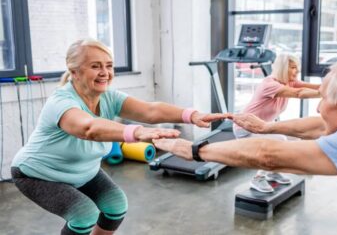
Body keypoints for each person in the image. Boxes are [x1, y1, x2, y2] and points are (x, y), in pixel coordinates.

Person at [154, 58, 337, 235]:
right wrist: (270, 127)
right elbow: (320, 126)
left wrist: (194, 150)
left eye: (323, 98)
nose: (319, 106)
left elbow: (268, 155)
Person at [11, 39, 229, 235]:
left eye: (109, 65)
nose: (105, 72)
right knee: (83, 215)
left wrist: (193, 115)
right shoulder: (61, 102)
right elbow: (89, 128)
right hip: (37, 173)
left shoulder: (108, 98)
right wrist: (137, 132)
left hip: (80, 171)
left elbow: (150, 111)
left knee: (115, 205)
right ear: (75, 71)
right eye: (95, 66)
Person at [233, 53, 319, 193]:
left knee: (294, 137)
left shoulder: (288, 81)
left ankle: (272, 172)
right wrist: (327, 94)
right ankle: (258, 177)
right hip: (245, 128)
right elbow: (299, 94)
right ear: (283, 68)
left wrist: (334, 87)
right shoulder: (269, 84)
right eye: (293, 67)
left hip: (262, 127)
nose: (297, 71)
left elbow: (312, 87)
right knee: (280, 140)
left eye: (297, 67)